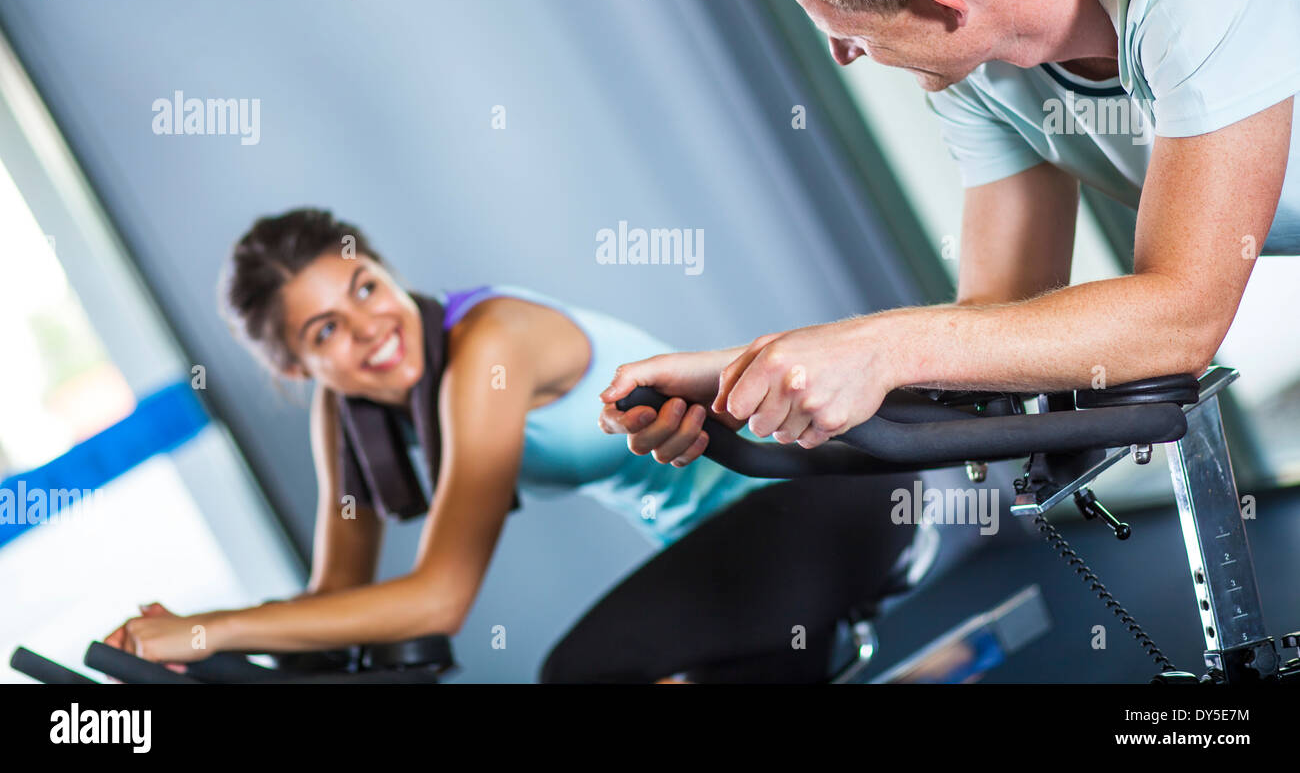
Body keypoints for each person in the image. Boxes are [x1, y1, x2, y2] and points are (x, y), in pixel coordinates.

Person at [600, 0, 1298, 465]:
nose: (844, 57)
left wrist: (881, 347)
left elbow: (1178, 321)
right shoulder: (971, 61)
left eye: (852, 32)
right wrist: (742, 379)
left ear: (941, 3)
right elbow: (995, 325)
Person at [103, 208, 931, 682]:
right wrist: (201, 660)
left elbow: (439, 600)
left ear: (388, 273)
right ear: (300, 366)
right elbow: (334, 604)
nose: (370, 328)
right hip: (739, 553)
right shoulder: (351, 414)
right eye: (328, 329)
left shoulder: (489, 345)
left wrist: (209, 630)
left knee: (580, 678)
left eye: (366, 288)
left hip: (820, 497)